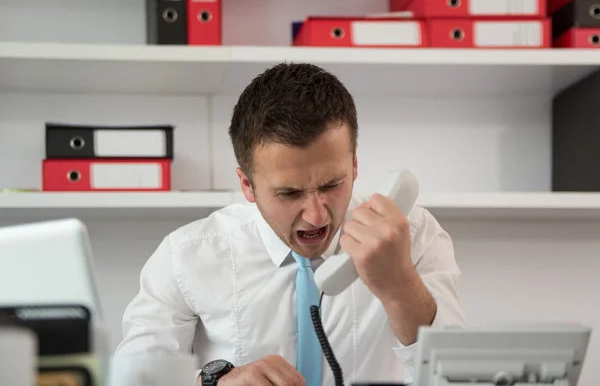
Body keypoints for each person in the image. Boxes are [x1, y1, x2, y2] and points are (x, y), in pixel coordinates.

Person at [113, 62, 467, 385]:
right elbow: (133, 378)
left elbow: (460, 378)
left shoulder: (413, 233)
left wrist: (400, 286)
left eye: (332, 185)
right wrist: (214, 384)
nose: (316, 215)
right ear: (247, 185)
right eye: (289, 193)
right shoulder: (187, 255)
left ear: (355, 163)